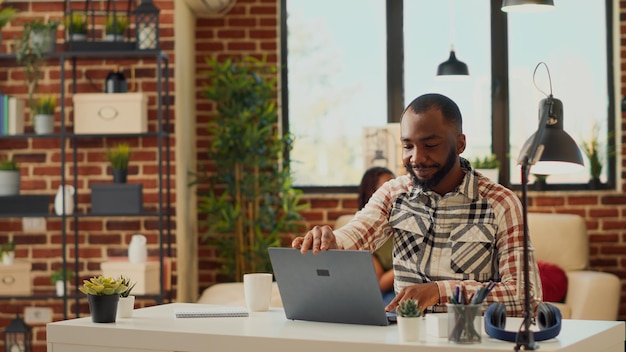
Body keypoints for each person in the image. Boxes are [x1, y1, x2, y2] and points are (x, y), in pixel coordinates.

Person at [292, 93, 542, 317]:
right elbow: (357, 234)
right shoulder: (393, 193)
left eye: (430, 145)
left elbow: (525, 296)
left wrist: (439, 291)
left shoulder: (501, 203)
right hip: (405, 340)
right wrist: (330, 241)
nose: (417, 158)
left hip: (470, 341)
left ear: (460, 144)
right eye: (408, 146)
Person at [358, 166, 396, 306]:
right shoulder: (365, 233)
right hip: (386, 293)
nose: (395, 193)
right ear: (372, 194)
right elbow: (380, 283)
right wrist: (410, 264)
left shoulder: (403, 222)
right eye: (386, 189)